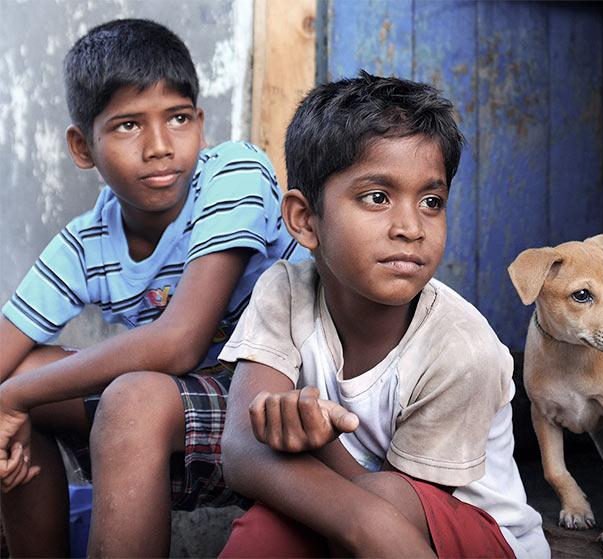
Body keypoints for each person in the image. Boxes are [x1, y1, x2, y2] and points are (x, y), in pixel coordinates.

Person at [0, 18, 307, 557]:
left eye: (178, 118)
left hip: (286, 403)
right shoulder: (85, 244)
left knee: (105, 397)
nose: (160, 146)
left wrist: (12, 398)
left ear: (201, 124)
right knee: (22, 378)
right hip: (180, 416)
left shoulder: (233, 173)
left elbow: (179, 341)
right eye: (127, 126)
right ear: (82, 146)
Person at [218, 72, 550, 558]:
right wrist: (305, 444)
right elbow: (243, 450)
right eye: (377, 197)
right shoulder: (284, 291)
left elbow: (393, 511)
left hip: (480, 537)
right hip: (367, 513)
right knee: (268, 528)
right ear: (304, 220)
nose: (411, 227)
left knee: (321, 505)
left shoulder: (464, 348)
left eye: (431, 202)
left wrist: (313, 446)